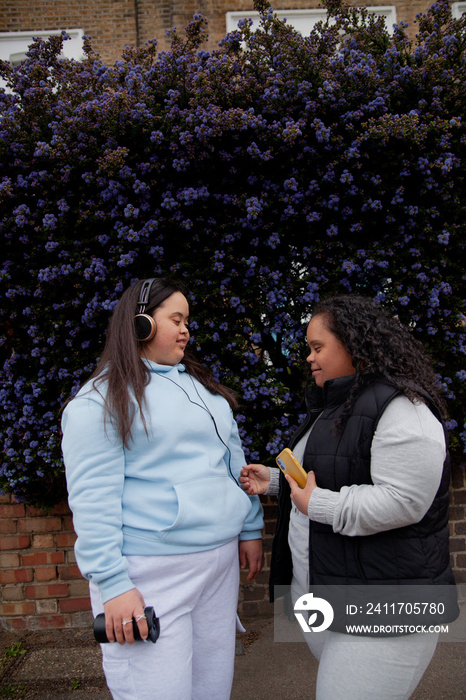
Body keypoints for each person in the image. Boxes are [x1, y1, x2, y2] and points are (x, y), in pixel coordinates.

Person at [240, 294, 458, 700]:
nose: (309, 358)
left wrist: (319, 504)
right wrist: (272, 480)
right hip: (331, 597)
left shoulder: (402, 409)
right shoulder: (339, 405)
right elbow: (329, 473)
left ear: (354, 346)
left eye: (317, 347)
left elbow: (404, 501)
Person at [61, 277, 263, 700]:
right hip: (150, 573)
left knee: (212, 688)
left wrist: (249, 529)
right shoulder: (101, 400)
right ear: (140, 325)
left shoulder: (206, 392)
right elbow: (92, 501)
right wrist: (113, 584)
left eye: (188, 319)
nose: (187, 329)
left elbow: (234, 464)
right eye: (176, 319)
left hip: (218, 568)